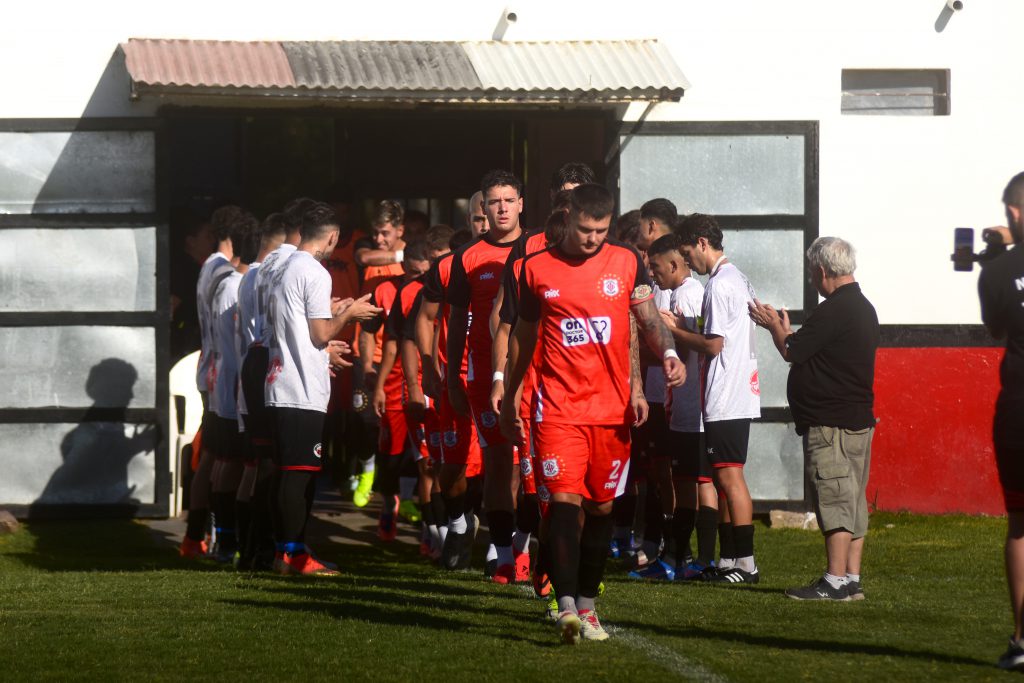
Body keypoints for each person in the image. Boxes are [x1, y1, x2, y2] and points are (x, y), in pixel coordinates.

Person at [500, 183, 685, 644]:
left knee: (602, 508)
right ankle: (564, 607)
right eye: (585, 230)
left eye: (601, 231)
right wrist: (508, 393)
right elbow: (522, 338)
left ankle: (588, 606)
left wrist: (669, 354)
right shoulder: (535, 268)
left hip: (611, 411)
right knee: (564, 504)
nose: (593, 239)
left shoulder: (625, 261)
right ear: (569, 216)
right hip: (557, 409)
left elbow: (644, 322)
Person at [749, 237, 878, 600]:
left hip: (832, 422)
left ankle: (835, 580)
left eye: (811, 273)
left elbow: (793, 350)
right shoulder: (862, 307)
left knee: (835, 496)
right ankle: (851, 578)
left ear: (822, 271)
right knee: (852, 498)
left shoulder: (835, 309)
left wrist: (774, 326)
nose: (811, 280)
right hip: (856, 419)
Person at [265, 203, 380, 576]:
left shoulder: (283, 266)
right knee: (299, 474)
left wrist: (328, 338)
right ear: (332, 237)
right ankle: (292, 555)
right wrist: (350, 314)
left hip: (282, 382)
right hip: (300, 388)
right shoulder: (314, 270)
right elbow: (320, 332)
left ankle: (287, 551)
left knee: (290, 473)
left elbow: (300, 329)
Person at [446, 170, 528, 583]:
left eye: (508, 200)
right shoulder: (468, 257)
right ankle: (500, 552)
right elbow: (457, 319)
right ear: (484, 209)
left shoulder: (540, 249)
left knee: (526, 465)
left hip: (532, 371)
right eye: (493, 202)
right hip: (482, 373)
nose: (500, 208)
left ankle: (524, 544)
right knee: (498, 464)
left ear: (520, 204)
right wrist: (451, 377)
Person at [675, 213, 762, 585]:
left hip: (726, 393)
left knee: (730, 479)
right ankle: (729, 560)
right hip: (738, 390)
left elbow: (713, 344)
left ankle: (746, 564)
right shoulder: (738, 277)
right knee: (728, 480)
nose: (688, 263)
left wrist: (674, 330)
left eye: (687, 253)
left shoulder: (718, 284)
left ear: (702, 243)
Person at [978, 171, 1024, 670]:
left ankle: (1022, 639)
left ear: (1012, 213)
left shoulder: (998, 272)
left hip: (1019, 410)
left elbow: (996, 326)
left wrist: (998, 258)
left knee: (1020, 524)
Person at [180, 204, 245, 559]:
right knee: (222, 459)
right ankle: (217, 535)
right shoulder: (226, 275)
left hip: (210, 369)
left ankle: (197, 535)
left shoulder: (209, 268)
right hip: (222, 374)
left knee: (211, 457)